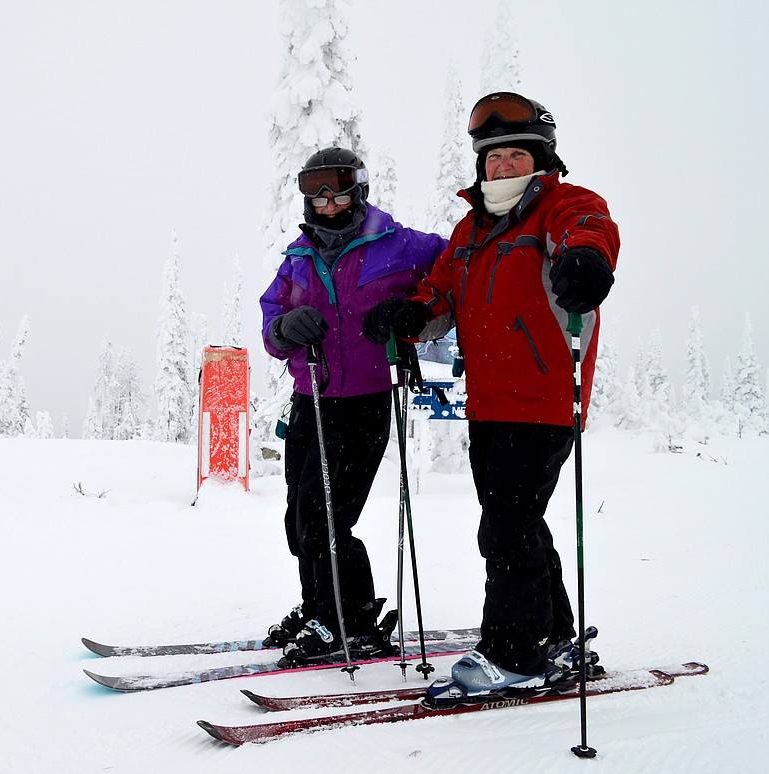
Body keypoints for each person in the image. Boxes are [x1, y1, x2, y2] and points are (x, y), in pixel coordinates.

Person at [365, 92, 620, 697]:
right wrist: (409, 315)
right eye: (492, 157)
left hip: (544, 399)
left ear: (538, 158)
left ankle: (516, 653)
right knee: (518, 521)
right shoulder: (471, 228)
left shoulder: (564, 205)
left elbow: (592, 231)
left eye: (514, 155)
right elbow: (441, 296)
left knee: (506, 527)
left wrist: (588, 260)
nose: (501, 167)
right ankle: (554, 636)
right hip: (489, 404)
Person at [259, 147, 448, 665]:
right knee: (300, 520)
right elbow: (271, 318)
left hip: (365, 402)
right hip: (311, 399)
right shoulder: (298, 257)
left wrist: (413, 313)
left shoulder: (402, 246)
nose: (326, 202)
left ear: (358, 189)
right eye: (315, 193)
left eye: (336, 190)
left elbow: (455, 271)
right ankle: (320, 606)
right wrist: (283, 327)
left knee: (327, 518)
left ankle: (354, 619)